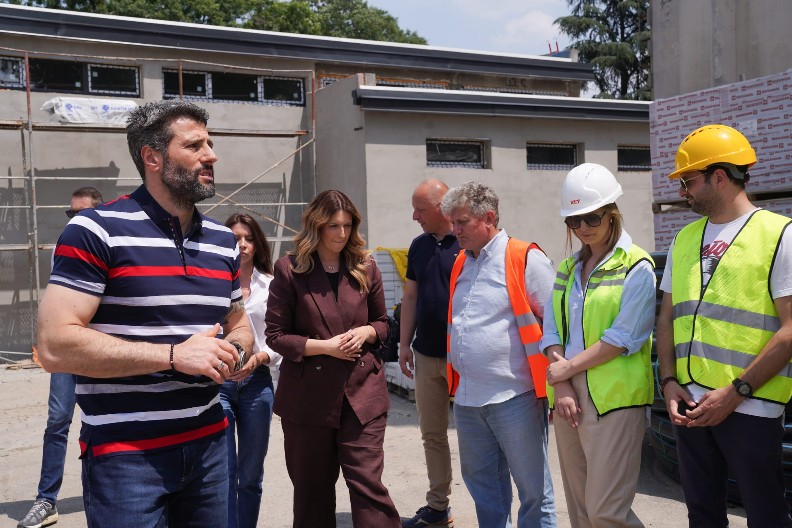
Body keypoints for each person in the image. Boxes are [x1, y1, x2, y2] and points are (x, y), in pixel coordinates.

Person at [36, 100, 253, 527]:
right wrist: (173, 356)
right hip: (126, 457)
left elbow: (239, 324)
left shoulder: (222, 241)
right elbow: (54, 346)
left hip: (211, 448)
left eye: (210, 144)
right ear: (152, 157)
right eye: (194, 146)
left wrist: (236, 353)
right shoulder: (94, 230)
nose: (211, 155)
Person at [657, 124, 792, 527]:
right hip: (690, 404)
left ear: (719, 176)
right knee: (702, 516)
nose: (683, 192)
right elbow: (667, 317)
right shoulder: (684, 239)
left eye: (688, 181)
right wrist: (668, 382)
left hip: (751, 405)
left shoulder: (780, 235)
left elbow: (790, 330)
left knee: (767, 517)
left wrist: (737, 392)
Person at [265, 189, 401, 528]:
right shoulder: (289, 270)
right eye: (333, 226)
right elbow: (276, 336)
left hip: (363, 395)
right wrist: (325, 347)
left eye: (347, 225)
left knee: (368, 486)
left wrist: (367, 332)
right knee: (312, 492)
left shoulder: (365, 267)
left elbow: (384, 323)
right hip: (308, 400)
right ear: (316, 226)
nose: (342, 234)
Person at [542, 163, 655, 528]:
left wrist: (567, 369)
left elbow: (623, 338)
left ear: (612, 214)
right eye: (574, 220)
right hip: (568, 396)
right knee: (580, 512)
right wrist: (562, 384)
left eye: (591, 217)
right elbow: (551, 331)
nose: (583, 227)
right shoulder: (567, 268)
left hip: (615, 401)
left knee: (606, 512)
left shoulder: (637, 265)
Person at [441, 181, 557, 528]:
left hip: (515, 396)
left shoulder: (525, 258)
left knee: (534, 492)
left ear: (488, 218)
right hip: (468, 399)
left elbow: (555, 325)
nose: (455, 230)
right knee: (485, 492)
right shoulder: (461, 262)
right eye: (452, 222)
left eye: (462, 222)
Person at [18, 187, 103, 528]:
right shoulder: (62, 248)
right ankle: (46, 500)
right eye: (71, 214)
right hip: (69, 350)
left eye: (82, 213)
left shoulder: (109, 244)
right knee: (57, 421)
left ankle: (108, 491)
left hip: (101, 349)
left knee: (104, 420)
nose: (75, 219)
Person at [399, 179, 458, 528]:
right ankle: (438, 507)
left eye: (420, 209)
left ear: (441, 206)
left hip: (463, 359)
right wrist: (404, 344)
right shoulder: (419, 246)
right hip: (426, 355)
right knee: (432, 435)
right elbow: (410, 297)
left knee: (478, 435)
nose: (414, 216)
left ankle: (493, 510)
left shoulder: (467, 243)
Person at [220, 213, 282, 528]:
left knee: (250, 475)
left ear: (258, 244)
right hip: (220, 383)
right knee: (224, 472)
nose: (242, 245)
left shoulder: (271, 285)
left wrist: (260, 358)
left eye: (248, 238)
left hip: (257, 383)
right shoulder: (212, 284)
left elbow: (280, 337)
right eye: (235, 239)